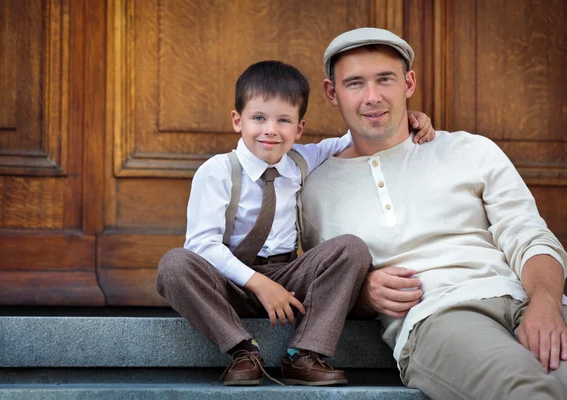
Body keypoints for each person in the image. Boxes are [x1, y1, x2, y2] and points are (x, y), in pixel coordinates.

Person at [301, 27, 567, 399]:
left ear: (408, 83)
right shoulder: (313, 192)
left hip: (524, 297)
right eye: (355, 83)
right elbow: (324, 280)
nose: (372, 97)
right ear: (333, 93)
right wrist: (363, 293)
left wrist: (546, 301)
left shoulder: (471, 150)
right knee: (526, 391)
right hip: (438, 316)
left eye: (385, 80)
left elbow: (529, 235)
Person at [155, 60, 435, 386]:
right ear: (238, 120)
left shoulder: (301, 160)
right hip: (229, 281)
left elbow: (352, 136)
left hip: (288, 276)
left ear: (299, 128)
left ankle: (304, 354)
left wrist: (409, 118)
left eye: (283, 120)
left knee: (351, 248)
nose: (271, 129)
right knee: (174, 264)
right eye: (258, 118)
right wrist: (260, 285)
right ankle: (242, 351)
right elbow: (202, 245)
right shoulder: (217, 171)